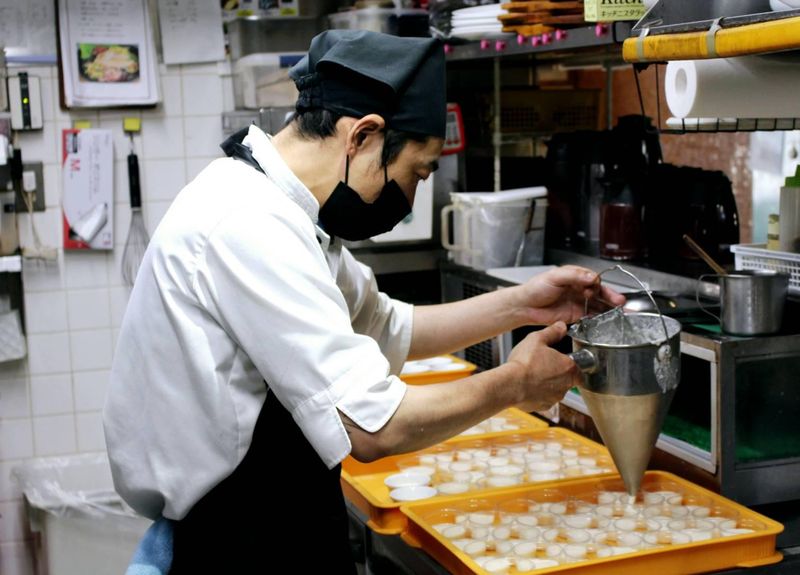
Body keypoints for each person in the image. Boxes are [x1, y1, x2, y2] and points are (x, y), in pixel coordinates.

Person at [104, 30, 624, 573]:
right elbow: (373, 427)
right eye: (416, 173)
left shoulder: (289, 210)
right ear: (363, 136)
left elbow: (388, 325)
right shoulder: (248, 223)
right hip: (236, 540)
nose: (409, 200)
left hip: (280, 516)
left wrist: (526, 305)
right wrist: (516, 383)